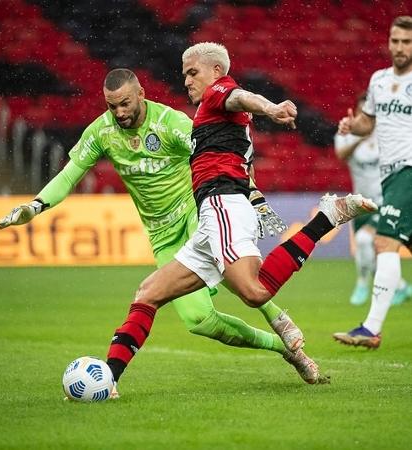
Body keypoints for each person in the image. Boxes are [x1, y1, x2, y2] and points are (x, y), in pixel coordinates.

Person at [0, 68, 323, 387]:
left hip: (197, 214)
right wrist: (35, 206)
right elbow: (70, 175)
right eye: (112, 106)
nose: (119, 112)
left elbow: (218, 155)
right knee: (199, 322)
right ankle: (284, 349)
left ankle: (277, 317)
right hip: (162, 236)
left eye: (125, 103)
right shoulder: (101, 132)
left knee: (236, 276)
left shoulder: (172, 124)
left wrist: (248, 191)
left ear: (141, 94)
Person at [102, 43, 377, 397]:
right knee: (148, 293)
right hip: (211, 215)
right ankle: (108, 380)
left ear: (215, 71)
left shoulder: (220, 91)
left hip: (222, 203)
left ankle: (327, 216)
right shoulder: (211, 111)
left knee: (253, 290)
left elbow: (242, 97)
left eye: (192, 72)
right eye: (184, 73)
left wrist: (272, 107)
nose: (185, 80)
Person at [334, 16, 412, 349]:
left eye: (406, 42)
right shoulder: (378, 81)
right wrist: (354, 126)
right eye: (395, 41)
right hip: (391, 172)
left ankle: (371, 328)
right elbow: (369, 123)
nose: (399, 48)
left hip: (407, 170)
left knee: (385, 242)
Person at [334, 93, 411, 306]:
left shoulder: (387, 135)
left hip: (385, 199)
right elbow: (341, 154)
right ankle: (401, 287)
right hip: (360, 202)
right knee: (368, 248)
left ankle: (362, 283)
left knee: (365, 241)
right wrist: (359, 137)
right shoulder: (347, 132)